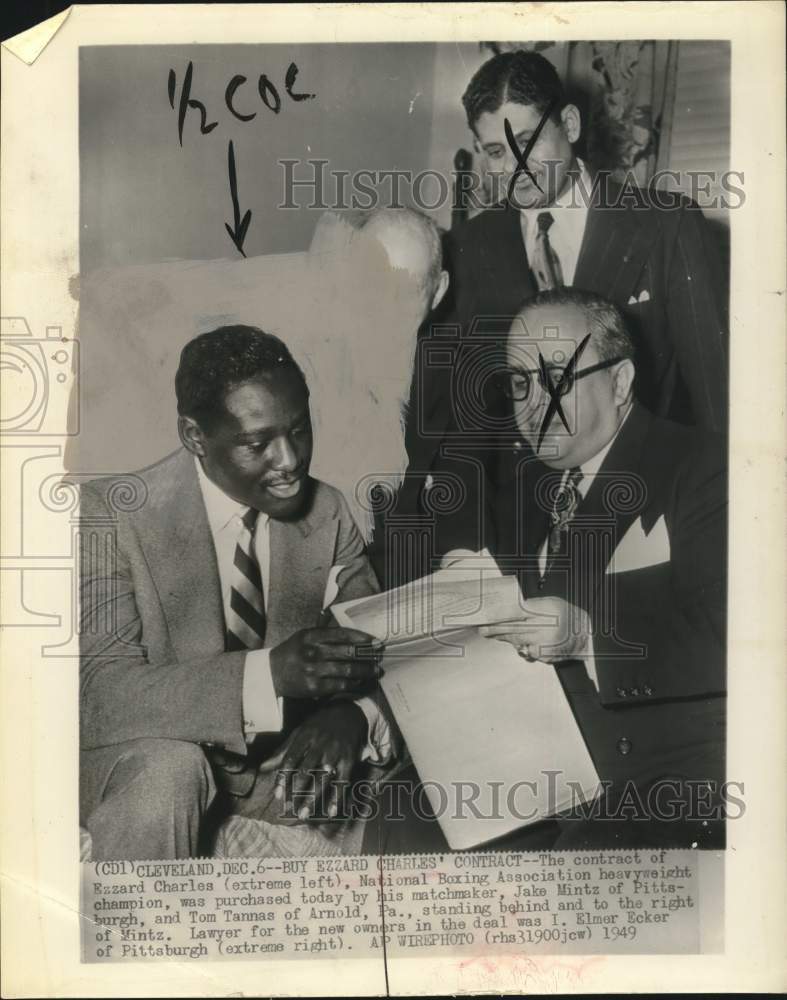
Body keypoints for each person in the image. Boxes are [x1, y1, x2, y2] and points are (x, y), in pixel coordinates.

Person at [367, 288, 727, 853]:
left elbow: (737, 632)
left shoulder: (707, 466)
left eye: (557, 377)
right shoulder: (526, 484)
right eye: (519, 383)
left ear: (622, 381)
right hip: (535, 758)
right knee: (400, 819)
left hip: (662, 771)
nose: (536, 404)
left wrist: (588, 634)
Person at [79, 325, 392, 860]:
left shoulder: (329, 511)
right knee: (168, 772)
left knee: (427, 793)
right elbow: (101, 697)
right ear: (196, 437)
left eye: (300, 429)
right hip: (146, 763)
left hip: (278, 776)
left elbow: (384, 650)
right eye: (258, 442)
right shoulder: (109, 513)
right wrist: (268, 674)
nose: (290, 459)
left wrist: (353, 715)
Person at [403, 49, 728, 550]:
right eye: (494, 153)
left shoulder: (668, 228)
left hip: (642, 522)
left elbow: (716, 409)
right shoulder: (470, 247)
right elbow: (459, 422)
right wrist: (467, 549)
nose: (514, 171)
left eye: (527, 143)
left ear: (570, 124)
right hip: (514, 530)